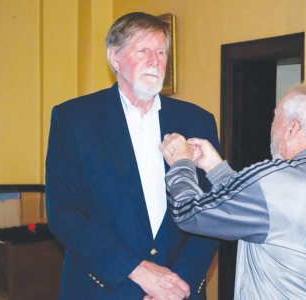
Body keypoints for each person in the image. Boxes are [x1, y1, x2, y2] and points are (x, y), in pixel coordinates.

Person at [45, 12, 219, 300]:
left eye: (161, 52)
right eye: (143, 51)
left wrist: (177, 287)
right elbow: (64, 213)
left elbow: (213, 210)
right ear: (115, 59)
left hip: (179, 289)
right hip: (102, 288)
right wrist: (138, 270)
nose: (155, 60)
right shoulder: (74, 119)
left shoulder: (197, 121)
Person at [159, 84, 306, 299]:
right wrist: (215, 168)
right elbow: (265, 212)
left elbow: (190, 213)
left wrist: (180, 163)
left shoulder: (275, 180)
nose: (271, 127)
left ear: (292, 129)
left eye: (276, 118)